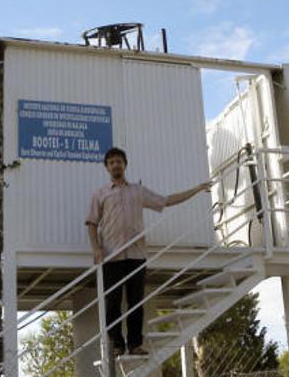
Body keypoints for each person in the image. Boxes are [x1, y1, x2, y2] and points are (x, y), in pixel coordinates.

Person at [85, 147, 211, 356]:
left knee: (136, 302)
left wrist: (196, 189)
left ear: (125, 165)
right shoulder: (100, 194)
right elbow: (91, 223)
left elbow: (166, 200)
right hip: (111, 256)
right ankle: (117, 344)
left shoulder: (138, 191)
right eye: (112, 162)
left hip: (136, 255)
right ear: (107, 167)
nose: (116, 165)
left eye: (119, 161)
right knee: (112, 303)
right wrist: (96, 248)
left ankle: (135, 344)